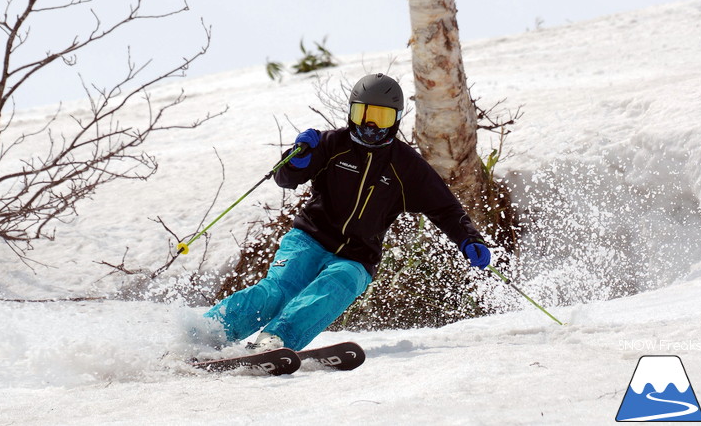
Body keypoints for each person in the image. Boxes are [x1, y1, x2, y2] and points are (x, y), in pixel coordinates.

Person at [199, 73, 491, 353]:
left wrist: (468, 239)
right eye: (364, 114)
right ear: (352, 113)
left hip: (358, 257)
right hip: (308, 239)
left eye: (383, 117)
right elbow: (284, 179)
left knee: (333, 287)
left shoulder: (406, 166)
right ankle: (209, 331)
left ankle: (275, 341)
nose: (371, 125)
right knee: (278, 291)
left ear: (397, 119)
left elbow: (445, 208)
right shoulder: (331, 144)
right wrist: (298, 159)